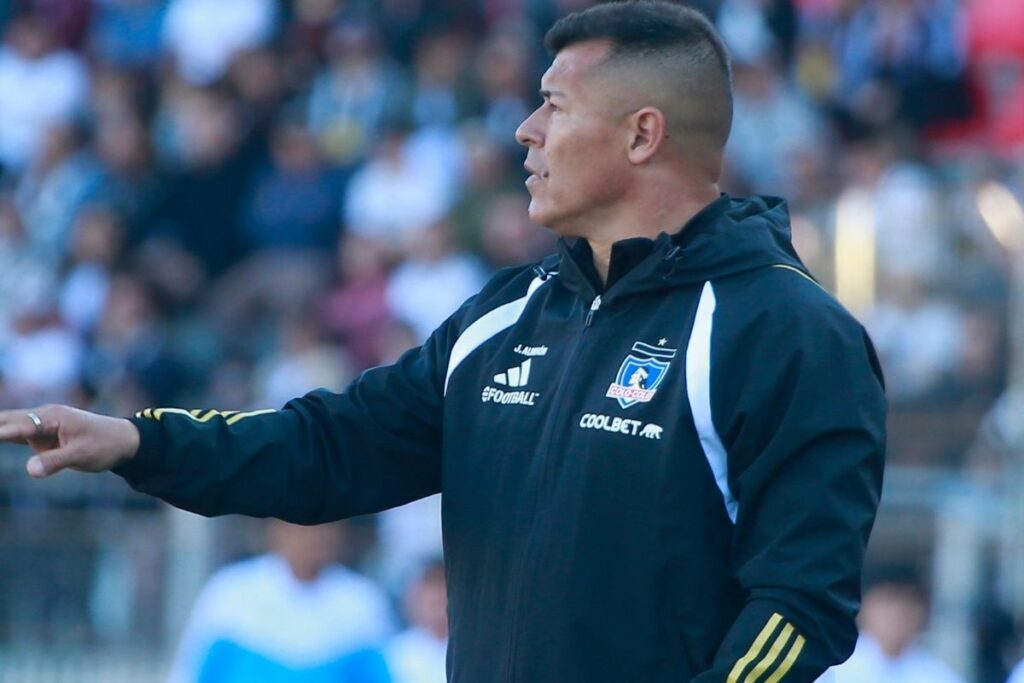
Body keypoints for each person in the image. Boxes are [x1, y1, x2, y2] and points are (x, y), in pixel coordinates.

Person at [0, 3, 886, 681]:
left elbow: (798, 608)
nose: (525, 132)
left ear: (643, 134)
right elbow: (331, 445)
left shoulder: (788, 331)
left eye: (552, 105)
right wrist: (138, 440)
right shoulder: (506, 316)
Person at [168, 520, 394, 683]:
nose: (314, 537)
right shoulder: (231, 592)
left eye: (324, 526)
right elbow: (190, 672)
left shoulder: (361, 602)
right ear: (275, 529)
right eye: (302, 527)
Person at [833, 567, 964, 683]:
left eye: (908, 604)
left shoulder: (937, 675)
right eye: (888, 601)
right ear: (863, 607)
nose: (897, 613)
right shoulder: (832, 668)